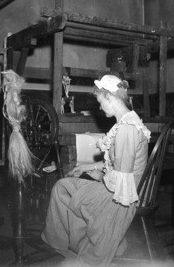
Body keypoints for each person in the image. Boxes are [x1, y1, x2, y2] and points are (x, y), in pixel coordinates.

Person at [42, 75, 151, 267]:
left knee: (63, 188)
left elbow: (121, 178)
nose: (100, 108)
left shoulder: (127, 128)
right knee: (65, 186)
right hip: (121, 188)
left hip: (121, 197)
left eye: (101, 102)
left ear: (110, 98)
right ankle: (76, 246)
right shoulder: (126, 123)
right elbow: (120, 165)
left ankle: (75, 247)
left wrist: (99, 176)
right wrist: (89, 167)